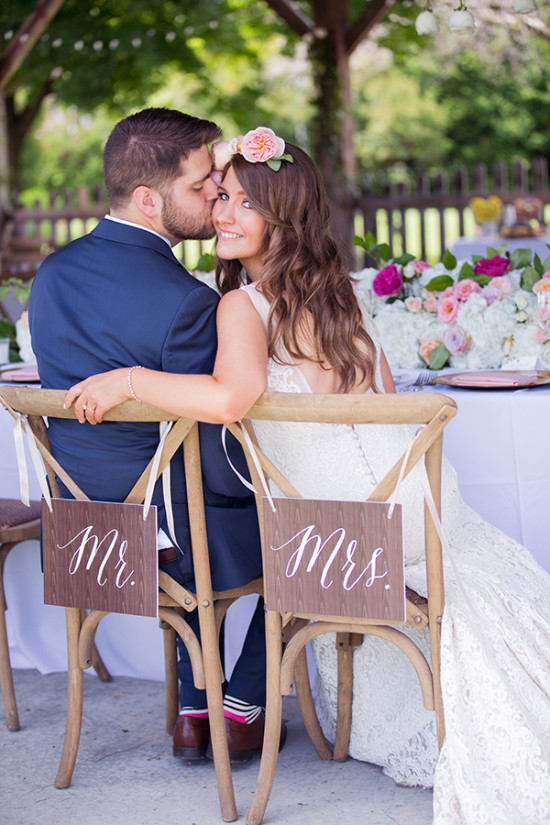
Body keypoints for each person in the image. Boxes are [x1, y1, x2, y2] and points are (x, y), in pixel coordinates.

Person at [63, 127, 550, 825]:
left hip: (339, 534)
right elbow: (387, 405)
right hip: (416, 511)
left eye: (241, 204)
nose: (222, 214)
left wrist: (128, 379)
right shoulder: (343, 296)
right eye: (220, 197)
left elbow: (229, 399)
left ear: (283, 219)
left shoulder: (241, 305)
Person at [28, 108, 271, 765]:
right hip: (170, 537)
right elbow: (215, 449)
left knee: (190, 492)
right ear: (148, 199)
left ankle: (197, 706)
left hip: (81, 531)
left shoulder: (49, 276)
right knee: (295, 530)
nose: (214, 197)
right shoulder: (187, 301)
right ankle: (230, 703)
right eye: (200, 187)